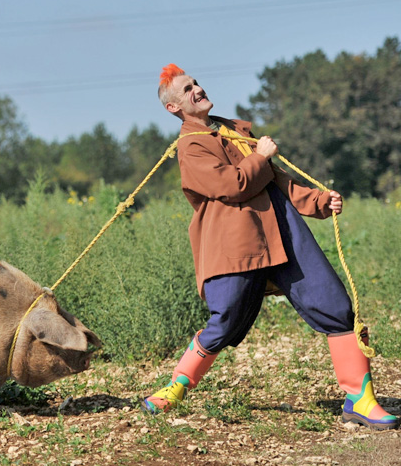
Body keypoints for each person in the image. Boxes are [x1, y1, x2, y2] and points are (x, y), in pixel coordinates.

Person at [142, 63, 398, 431]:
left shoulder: (235, 131)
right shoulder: (190, 148)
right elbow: (234, 184)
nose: (197, 89)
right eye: (187, 89)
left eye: (196, 83)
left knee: (336, 305)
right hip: (235, 242)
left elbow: (277, 181)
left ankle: (361, 399)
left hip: (284, 230)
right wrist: (259, 156)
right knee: (226, 318)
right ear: (174, 108)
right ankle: (176, 387)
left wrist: (319, 202)